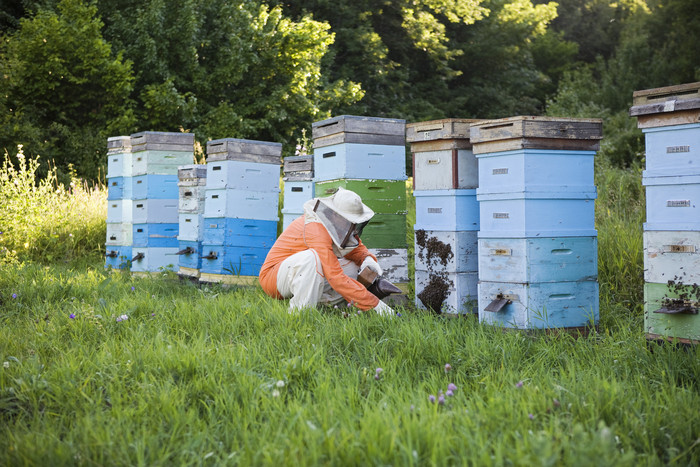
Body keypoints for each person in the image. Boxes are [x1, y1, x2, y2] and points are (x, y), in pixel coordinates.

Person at [259, 187, 395, 316]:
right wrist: (376, 305)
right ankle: (300, 314)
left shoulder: (337, 223)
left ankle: (329, 306)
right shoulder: (316, 228)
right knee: (312, 259)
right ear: (336, 214)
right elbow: (334, 277)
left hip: (297, 274)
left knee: (354, 266)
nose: (353, 226)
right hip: (274, 278)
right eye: (351, 221)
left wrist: (367, 259)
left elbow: (355, 247)